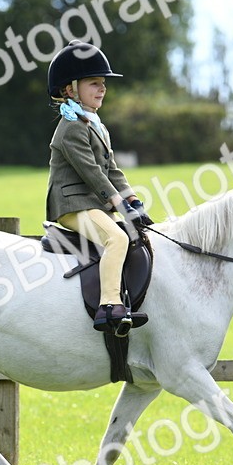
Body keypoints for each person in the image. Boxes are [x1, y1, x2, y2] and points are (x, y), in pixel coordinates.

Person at [45, 40, 153, 334]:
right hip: (73, 205)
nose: (102, 89)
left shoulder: (94, 123)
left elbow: (112, 168)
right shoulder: (71, 128)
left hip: (93, 203)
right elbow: (92, 173)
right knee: (116, 239)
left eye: (103, 83)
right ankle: (109, 305)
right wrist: (119, 204)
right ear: (70, 89)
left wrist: (132, 197)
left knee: (135, 234)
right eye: (94, 83)